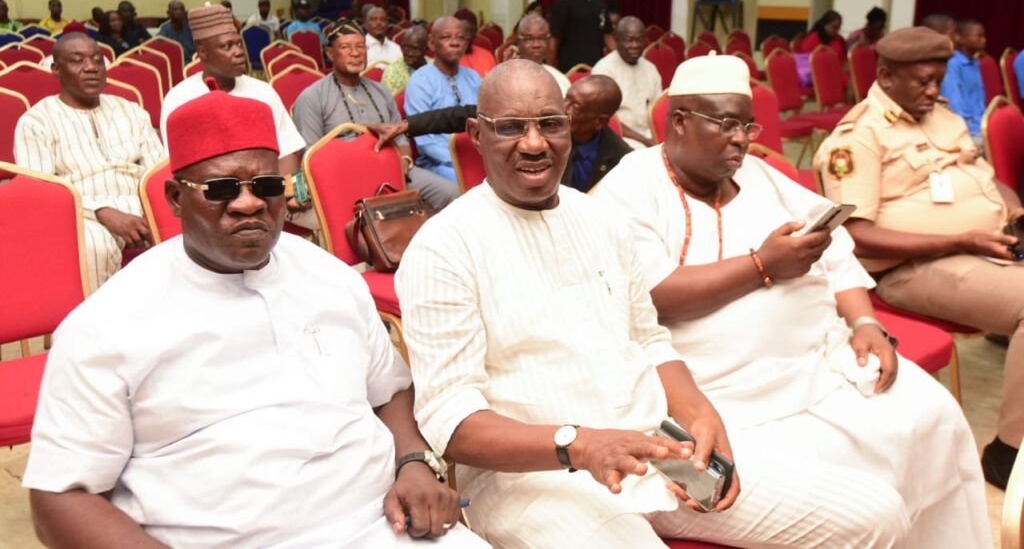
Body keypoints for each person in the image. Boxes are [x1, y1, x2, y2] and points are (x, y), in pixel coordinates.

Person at [22, 89, 486, 549]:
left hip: (383, 526)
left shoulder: (330, 276)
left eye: (266, 186)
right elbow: (61, 496)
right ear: (176, 198)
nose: (248, 203)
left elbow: (391, 390)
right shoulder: (107, 323)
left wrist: (414, 463)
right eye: (221, 189)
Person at [597, 53, 990, 547]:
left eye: (748, 126)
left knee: (935, 416)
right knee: (854, 493)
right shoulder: (630, 187)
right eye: (726, 124)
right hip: (722, 393)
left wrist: (866, 323)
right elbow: (652, 295)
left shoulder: (759, 176)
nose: (741, 139)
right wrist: (762, 265)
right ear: (679, 121)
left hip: (821, 365)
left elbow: (836, 249)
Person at [396, 59, 738, 547]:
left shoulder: (602, 219)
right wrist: (580, 445)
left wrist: (700, 412)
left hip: (655, 451)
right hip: (532, 481)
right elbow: (451, 420)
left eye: (550, 124)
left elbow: (649, 338)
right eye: (510, 127)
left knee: (854, 514)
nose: (534, 143)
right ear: (476, 135)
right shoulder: (445, 245)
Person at [814, 26, 1024, 490]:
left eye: (938, 80)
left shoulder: (940, 116)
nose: (933, 91)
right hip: (907, 272)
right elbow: (857, 237)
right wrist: (963, 240)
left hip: (981, 247)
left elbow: (985, 179)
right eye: (923, 81)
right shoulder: (857, 137)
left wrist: (1014, 214)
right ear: (886, 76)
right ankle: (1009, 455)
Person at [14, 33, 162, 291]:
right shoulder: (36, 121)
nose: (91, 67)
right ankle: (98, 316)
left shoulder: (131, 110)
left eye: (97, 60)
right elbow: (42, 193)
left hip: (141, 206)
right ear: (56, 70)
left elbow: (157, 171)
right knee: (93, 245)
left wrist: (154, 211)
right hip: (83, 214)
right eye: (77, 61)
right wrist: (102, 212)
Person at [160, 3, 308, 230]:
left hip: (267, 193)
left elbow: (287, 153)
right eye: (227, 46)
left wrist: (292, 192)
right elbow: (178, 171)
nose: (239, 52)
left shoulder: (263, 92)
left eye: (239, 43)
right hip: (212, 202)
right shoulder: (179, 99)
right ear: (203, 52)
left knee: (324, 213)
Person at [366, 73, 630, 195]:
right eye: (567, 98)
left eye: (576, 107)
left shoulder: (622, 159)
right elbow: (462, 114)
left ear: (600, 121)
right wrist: (406, 126)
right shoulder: (546, 118)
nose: (565, 108)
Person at [292, 19, 457, 210]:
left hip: (393, 170)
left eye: (360, 47)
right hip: (344, 178)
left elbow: (401, 139)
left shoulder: (381, 91)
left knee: (451, 193)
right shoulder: (312, 97)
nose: (355, 53)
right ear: (330, 53)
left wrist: (404, 161)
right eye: (346, 47)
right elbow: (311, 157)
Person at [404, 16, 481, 182]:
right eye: (446, 37)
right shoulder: (420, 80)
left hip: (478, 157)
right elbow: (424, 140)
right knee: (471, 184)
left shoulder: (473, 77)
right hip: (439, 164)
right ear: (432, 44)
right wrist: (460, 160)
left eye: (460, 38)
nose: (455, 43)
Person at [592, 16, 661, 150]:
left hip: (649, 134)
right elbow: (607, 120)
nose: (635, 45)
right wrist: (646, 141)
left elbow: (657, 110)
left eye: (639, 40)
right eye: (629, 40)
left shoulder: (650, 68)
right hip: (617, 137)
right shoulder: (604, 69)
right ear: (617, 40)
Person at [940, 19, 988, 145]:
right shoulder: (953, 64)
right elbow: (954, 106)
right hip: (967, 130)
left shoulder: (975, 64)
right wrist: (976, 129)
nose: (984, 40)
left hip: (981, 124)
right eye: (979, 36)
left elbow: (980, 100)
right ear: (959, 38)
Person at [515, 13, 570, 96]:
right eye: (529, 39)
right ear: (518, 42)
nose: (536, 45)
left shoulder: (559, 79)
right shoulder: (505, 79)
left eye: (542, 38)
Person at [382, 24, 430, 93]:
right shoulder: (392, 72)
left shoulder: (436, 68)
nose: (410, 53)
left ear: (426, 49)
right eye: (406, 47)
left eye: (415, 48)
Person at [455, 9, 497, 78]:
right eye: (463, 31)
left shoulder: (486, 56)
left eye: (471, 31)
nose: (468, 36)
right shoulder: (446, 58)